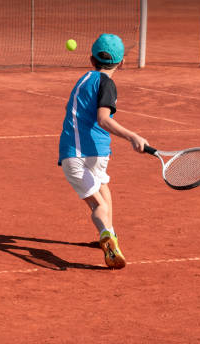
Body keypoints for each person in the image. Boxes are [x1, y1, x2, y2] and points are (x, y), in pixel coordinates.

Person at [58, 33, 148, 269]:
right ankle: (108, 234)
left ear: (91, 60)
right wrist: (132, 136)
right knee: (102, 201)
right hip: (97, 153)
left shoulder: (82, 80)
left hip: (72, 155)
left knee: (99, 198)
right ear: (122, 62)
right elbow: (103, 119)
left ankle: (109, 235)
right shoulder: (107, 83)